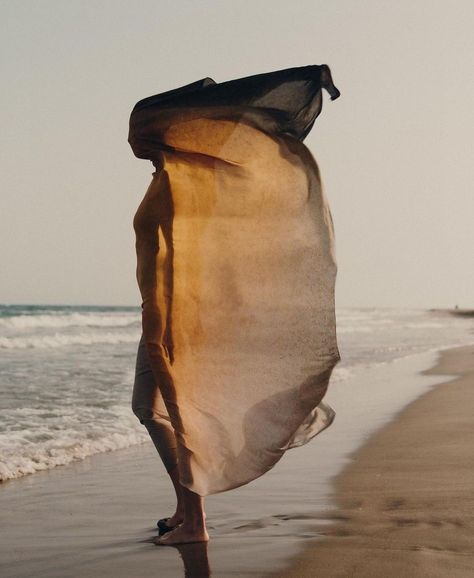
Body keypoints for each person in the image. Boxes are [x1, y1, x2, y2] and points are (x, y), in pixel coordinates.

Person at [129, 64, 341, 545]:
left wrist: (161, 330)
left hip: (171, 320)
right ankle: (187, 513)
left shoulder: (180, 184)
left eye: (142, 133)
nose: (134, 144)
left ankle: (195, 522)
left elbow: (177, 263)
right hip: (176, 317)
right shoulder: (185, 178)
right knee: (167, 411)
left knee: (161, 410)